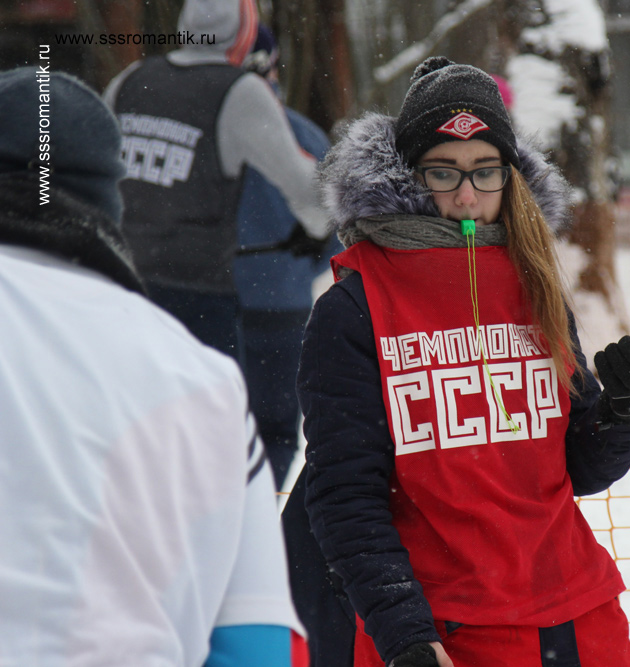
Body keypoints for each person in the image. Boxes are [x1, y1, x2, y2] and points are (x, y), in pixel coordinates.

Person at [294, 56, 630, 667]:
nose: (467, 194)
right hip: (449, 631)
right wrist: (405, 636)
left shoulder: (535, 282)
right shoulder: (354, 307)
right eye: (442, 172)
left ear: (512, 176)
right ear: (408, 177)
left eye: (485, 171)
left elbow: (577, 466)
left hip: (579, 618)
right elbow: (345, 495)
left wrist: (626, 412)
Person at [0, 68, 305, 665]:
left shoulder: (136, 83)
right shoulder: (205, 381)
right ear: (110, 197)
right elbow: (260, 644)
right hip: (206, 302)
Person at [103, 0, 329, 366]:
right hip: (198, 297)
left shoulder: (131, 79)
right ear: (244, 31)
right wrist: (316, 232)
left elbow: (93, 172)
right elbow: (310, 192)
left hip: (126, 287)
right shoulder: (239, 90)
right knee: (207, 401)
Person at [236, 25, 343, 489]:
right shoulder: (302, 135)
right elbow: (337, 227)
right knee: (275, 432)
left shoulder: (200, 130)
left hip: (206, 301)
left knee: (208, 427)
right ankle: (257, 513)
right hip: (281, 306)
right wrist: (294, 269)